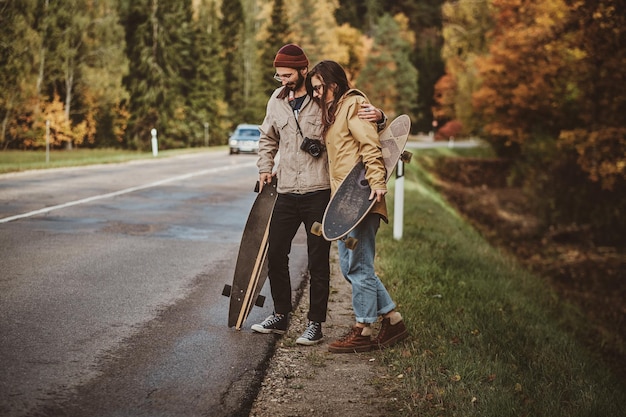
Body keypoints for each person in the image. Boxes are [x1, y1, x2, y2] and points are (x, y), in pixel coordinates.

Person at [252, 45, 387, 345]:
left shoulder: (324, 99)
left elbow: (359, 123)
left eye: (287, 75)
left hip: (319, 194)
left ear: (303, 70)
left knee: (318, 261)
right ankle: (281, 314)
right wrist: (264, 167)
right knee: (276, 254)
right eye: (279, 75)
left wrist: (379, 117)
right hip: (286, 193)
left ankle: (315, 324)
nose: (282, 80)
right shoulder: (275, 101)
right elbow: (267, 138)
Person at [305, 60, 409, 353]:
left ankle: (362, 329)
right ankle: (393, 319)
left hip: (362, 200)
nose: (314, 93)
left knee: (359, 265)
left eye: (318, 88)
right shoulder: (335, 111)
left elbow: (370, 146)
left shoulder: (354, 105)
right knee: (352, 265)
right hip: (345, 206)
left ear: (333, 86)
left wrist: (377, 183)